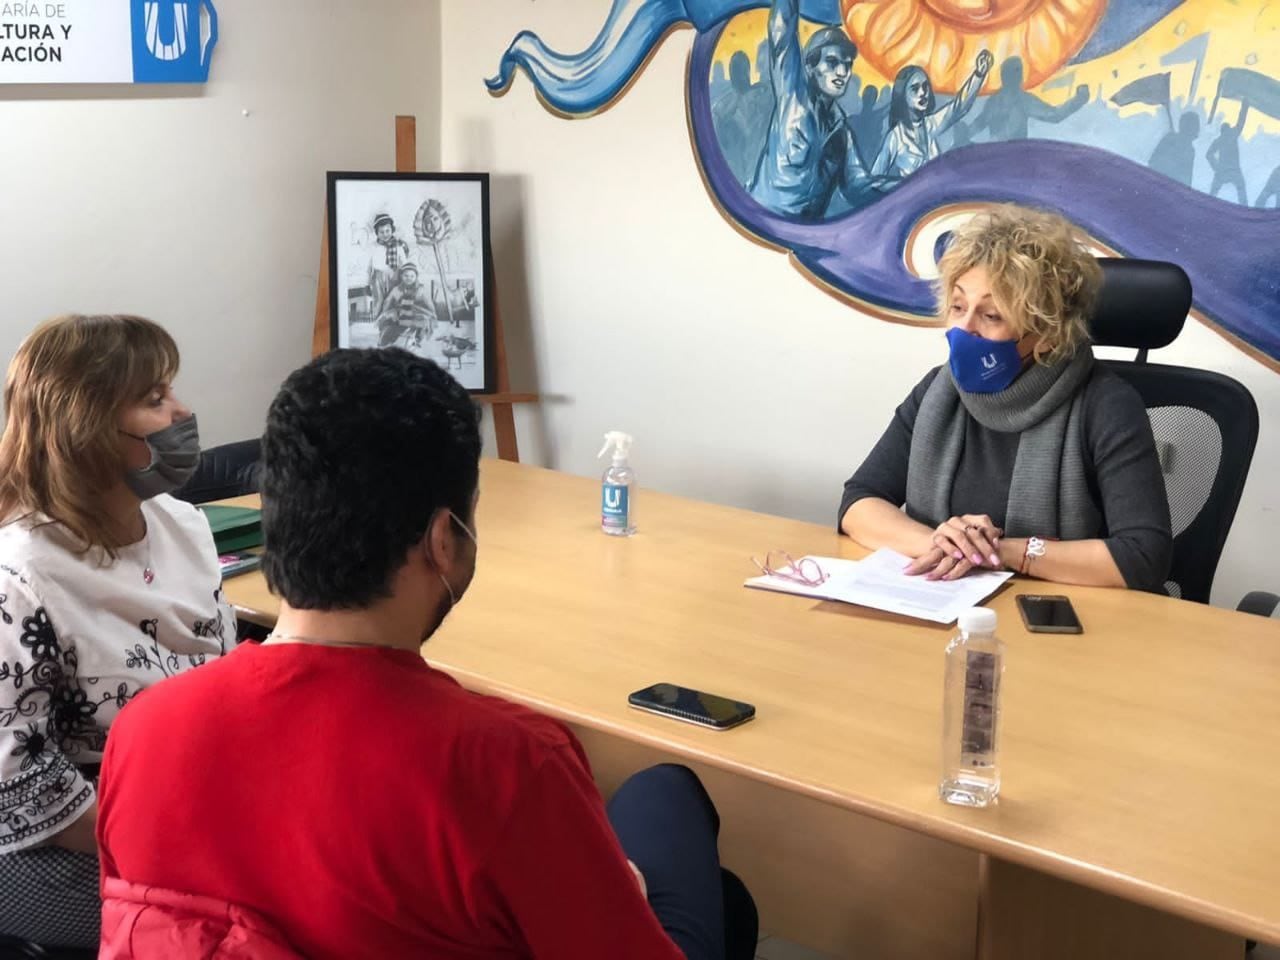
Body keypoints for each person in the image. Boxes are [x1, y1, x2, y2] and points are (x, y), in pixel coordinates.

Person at [96, 348, 758, 959]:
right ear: (446, 538)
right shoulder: (507, 763)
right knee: (668, 796)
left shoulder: (146, 728)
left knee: (719, 887)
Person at [0, 314, 235, 949]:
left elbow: (220, 671)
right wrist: (176, 837)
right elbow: (13, 780)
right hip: (60, 841)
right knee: (234, 926)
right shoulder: (19, 575)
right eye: (156, 400)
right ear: (88, 429)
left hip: (186, 807)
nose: (183, 413)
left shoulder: (183, 524)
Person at [838, 206, 1173, 591]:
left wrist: (1000, 551)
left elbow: (1143, 557)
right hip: (947, 608)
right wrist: (941, 543)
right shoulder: (938, 391)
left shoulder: (1106, 405)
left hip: (1063, 630)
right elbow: (859, 502)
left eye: (991, 316)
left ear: (1046, 334)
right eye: (959, 306)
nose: (964, 330)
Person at [748, 0, 884, 219]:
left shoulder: (842, 134)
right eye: (832, 62)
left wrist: (912, 187)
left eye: (847, 64)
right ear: (810, 67)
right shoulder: (793, 96)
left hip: (804, 237)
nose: (842, 72)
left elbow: (859, 187)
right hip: (761, 224)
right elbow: (782, 32)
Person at [871, 55, 992, 181]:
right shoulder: (895, 137)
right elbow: (874, 179)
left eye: (925, 86)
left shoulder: (931, 124)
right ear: (902, 95)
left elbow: (959, 108)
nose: (922, 93)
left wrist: (978, 74)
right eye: (915, 89)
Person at [376, 261, 436, 347]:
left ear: (416, 277)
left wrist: (432, 314)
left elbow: (429, 303)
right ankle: (387, 338)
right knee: (389, 324)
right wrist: (386, 312)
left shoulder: (420, 290)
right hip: (401, 314)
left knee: (424, 321)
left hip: (415, 314)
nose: (409, 278)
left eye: (412, 276)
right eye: (406, 276)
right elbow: (388, 302)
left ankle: (417, 338)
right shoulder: (398, 289)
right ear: (401, 276)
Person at [365, 212, 413, 319]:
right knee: (379, 301)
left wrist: (406, 278)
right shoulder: (373, 247)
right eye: (381, 232)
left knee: (393, 299)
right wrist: (367, 283)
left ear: (392, 230)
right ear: (377, 233)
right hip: (378, 278)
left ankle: (392, 322)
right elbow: (369, 266)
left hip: (395, 276)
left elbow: (404, 263)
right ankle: (378, 322)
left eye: (387, 231)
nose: (385, 234)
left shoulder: (398, 246)